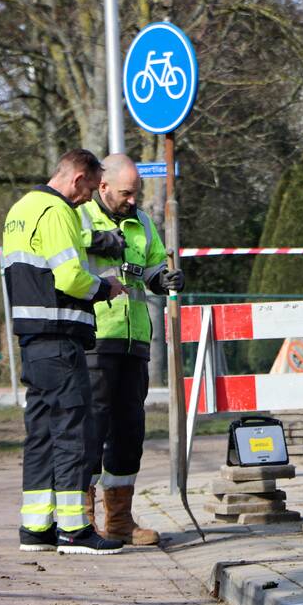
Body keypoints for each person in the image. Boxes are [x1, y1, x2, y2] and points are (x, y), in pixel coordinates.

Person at [3, 148, 127, 555]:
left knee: (40, 431)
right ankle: (75, 528)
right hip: (59, 335)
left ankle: (35, 526)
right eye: (90, 190)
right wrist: (105, 288)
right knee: (74, 429)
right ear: (77, 180)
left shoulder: (20, 209)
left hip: (33, 339)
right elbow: (70, 276)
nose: (88, 199)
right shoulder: (59, 212)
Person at [78, 153, 184, 546]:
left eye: (136, 193)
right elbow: (66, 259)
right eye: (126, 193)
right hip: (95, 339)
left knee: (128, 433)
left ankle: (119, 521)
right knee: (91, 431)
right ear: (102, 186)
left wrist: (164, 278)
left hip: (135, 340)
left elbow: (153, 265)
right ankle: (83, 521)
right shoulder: (80, 217)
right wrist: (96, 241)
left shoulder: (140, 222)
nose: (133, 201)